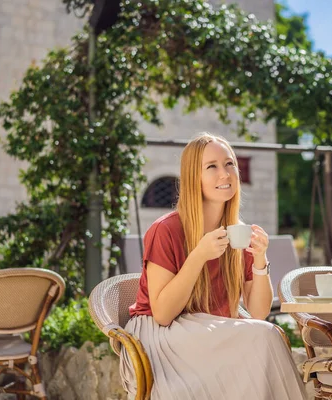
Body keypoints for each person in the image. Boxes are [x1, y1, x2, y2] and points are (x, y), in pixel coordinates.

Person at [121, 133, 306, 400]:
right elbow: (162, 314)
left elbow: (258, 312)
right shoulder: (165, 230)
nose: (225, 173)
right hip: (161, 334)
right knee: (263, 339)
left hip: (210, 329)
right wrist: (199, 256)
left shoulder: (237, 233)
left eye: (229, 164)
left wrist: (261, 260)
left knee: (266, 335)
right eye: (212, 167)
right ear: (193, 177)